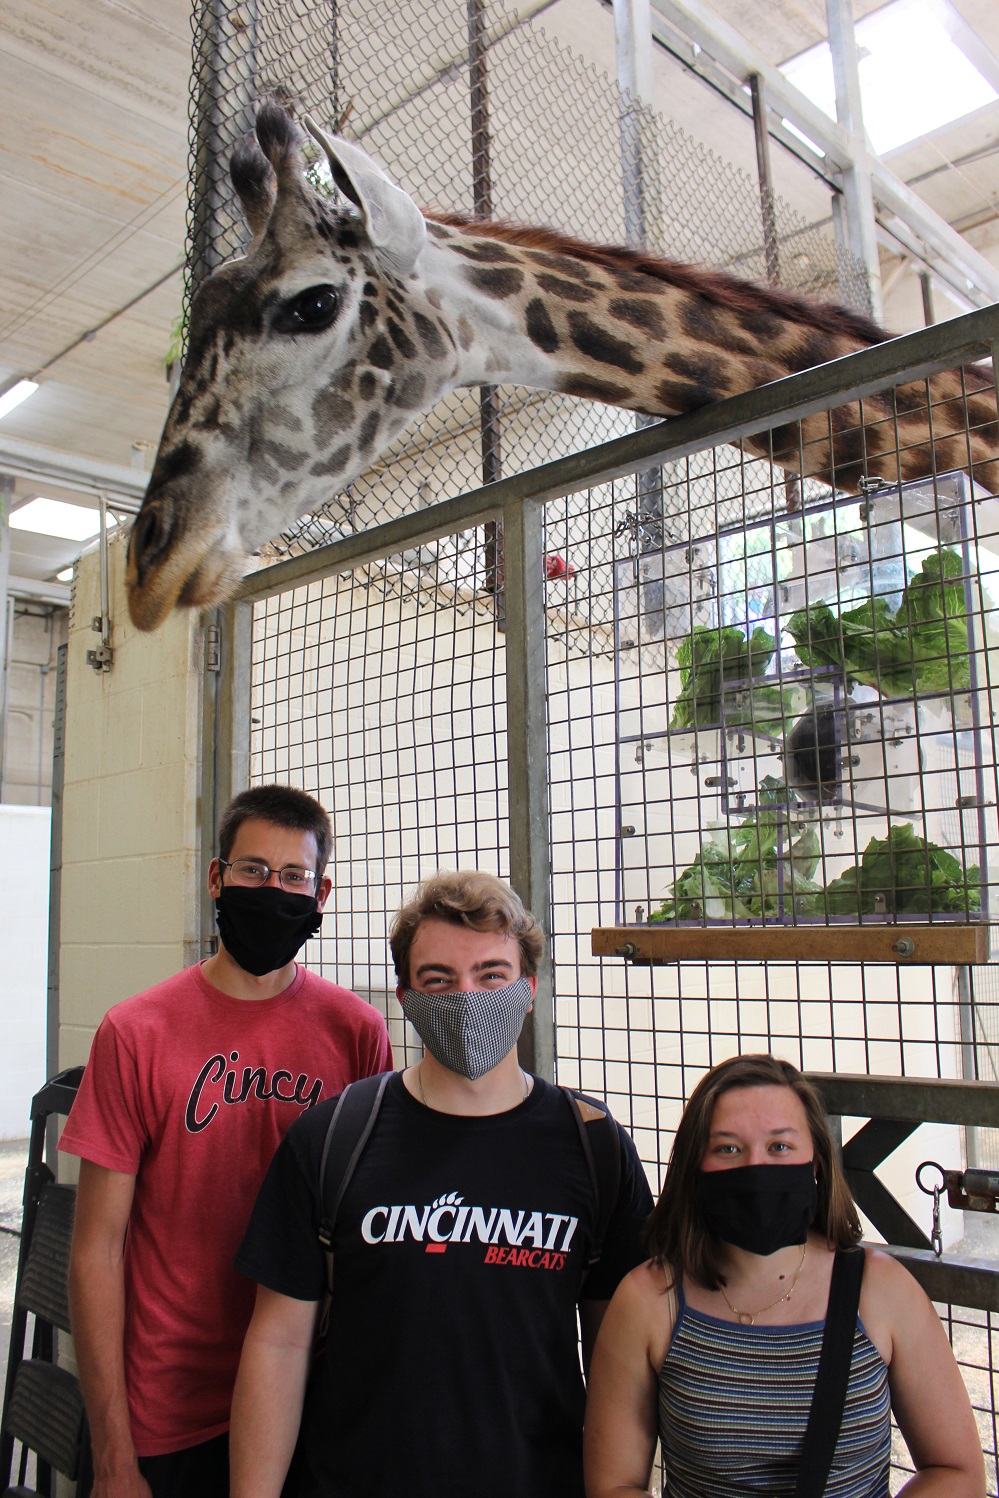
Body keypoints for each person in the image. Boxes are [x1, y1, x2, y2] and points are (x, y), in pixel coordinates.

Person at [230, 869, 655, 1498]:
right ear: (406, 997)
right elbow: (278, 1343)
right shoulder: (335, 1137)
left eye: (491, 974)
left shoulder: (593, 1147)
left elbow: (618, 1360)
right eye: (438, 979)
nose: (467, 997)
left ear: (529, 988)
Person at [61, 784, 393, 1498]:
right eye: (253, 870)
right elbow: (96, 1250)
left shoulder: (357, 1032)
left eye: (293, 876)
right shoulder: (136, 1032)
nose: (272, 890)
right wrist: (114, 1457)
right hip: (169, 1412)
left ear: (320, 894)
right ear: (216, 878)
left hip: (304, 1400)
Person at [583, 1053, 985, 1498]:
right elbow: (612, 1485)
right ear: (695, 1167)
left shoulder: (882, 1291)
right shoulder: (648, 1301)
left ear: (816, 1162)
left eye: (779, 1147)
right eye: (728, 1148)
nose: (756, 1168)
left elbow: (957, 1470)